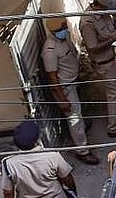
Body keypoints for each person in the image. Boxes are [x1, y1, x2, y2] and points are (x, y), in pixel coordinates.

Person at [41, 18, 100, 165]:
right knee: (74, 119)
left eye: (64, 26)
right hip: (65, 87)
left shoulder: (64, 38)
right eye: (61, 28)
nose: (65, 29)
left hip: (74, 80)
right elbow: (53, 78)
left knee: (79, 114)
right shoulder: (50, 50)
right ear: (54, 31)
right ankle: (83, 151)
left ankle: (81, 133)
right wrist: (62, 99)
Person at [78, 3, 116, 137]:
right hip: (105, 62)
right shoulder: (87, 22)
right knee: (114, 94)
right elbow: (93, 47)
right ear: (99, 5)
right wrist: (115, 37)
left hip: (114, 56)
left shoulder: (103, 12)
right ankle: (114, 128)